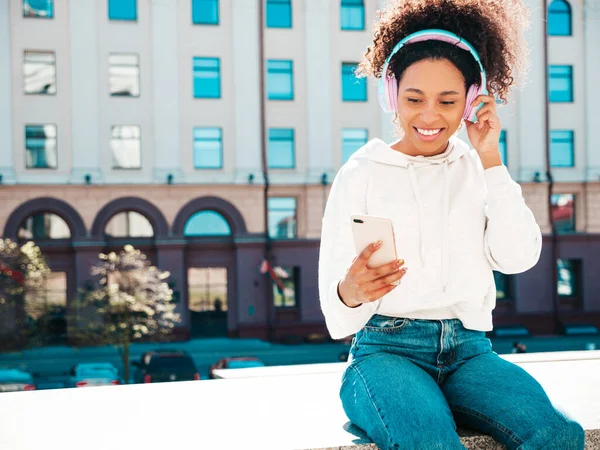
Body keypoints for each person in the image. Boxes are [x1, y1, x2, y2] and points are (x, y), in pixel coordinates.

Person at [318, 1, 585, 449]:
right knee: (432, 442)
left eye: (447, 101)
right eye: (414, 99)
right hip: (385, 353)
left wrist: (490, 158)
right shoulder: (362, 171)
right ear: (391, 94)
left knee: (558, 434)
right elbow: (334, 312)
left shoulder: (477, 167)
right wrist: (353, 290)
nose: (429, 116)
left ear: (470, 100)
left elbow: (518, 257)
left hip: (469, 354)